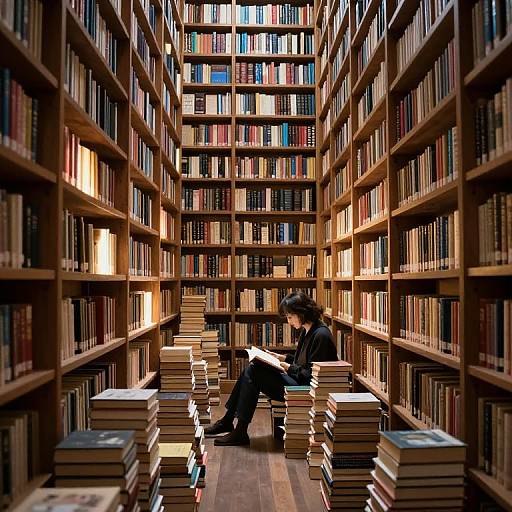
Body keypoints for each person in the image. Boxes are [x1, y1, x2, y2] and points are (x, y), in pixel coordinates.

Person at [205, 291, 338, 446]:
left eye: (289, 317)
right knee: (252, 367)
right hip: (298, 380)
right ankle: (229, 422)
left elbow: (311, 376)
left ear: (301, 313)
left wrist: (287, 367)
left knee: (253, 371)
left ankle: (237, 428)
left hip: (307, 390)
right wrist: (280, 358)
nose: (288, 322)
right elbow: (302, 361)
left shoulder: (321, 335)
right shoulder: (309, 328)